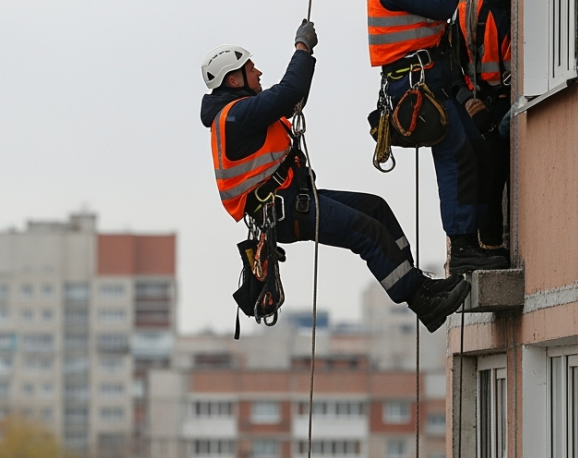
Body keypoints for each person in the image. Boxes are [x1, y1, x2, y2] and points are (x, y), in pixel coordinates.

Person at [201, 22, 470, 332]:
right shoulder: (237, 115)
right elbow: (290, 92)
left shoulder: (240, 113)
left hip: (292, 199)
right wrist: (303, 49)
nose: (259, 72)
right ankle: (420, 300)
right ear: (233, 79)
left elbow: (291, 100)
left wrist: (303, 63)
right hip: (285, 209)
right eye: (251, 69)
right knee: (365, 231)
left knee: (375, 209)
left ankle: (416, 281)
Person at [366, 0, 508, 275]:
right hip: (415, 85)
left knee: (476, 149)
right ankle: (462, 247)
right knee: (458, 156)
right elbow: (441, 0)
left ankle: (471, 240)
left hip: (429, 81)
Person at [456, 0, 512, 259]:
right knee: (486, 181)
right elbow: (451, 66)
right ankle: (489, 246)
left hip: (514, 102)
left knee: (501, 175)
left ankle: (491, 244)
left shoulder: (527, 9)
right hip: (483, 110)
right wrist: (467, 99)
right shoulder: (469, 16)